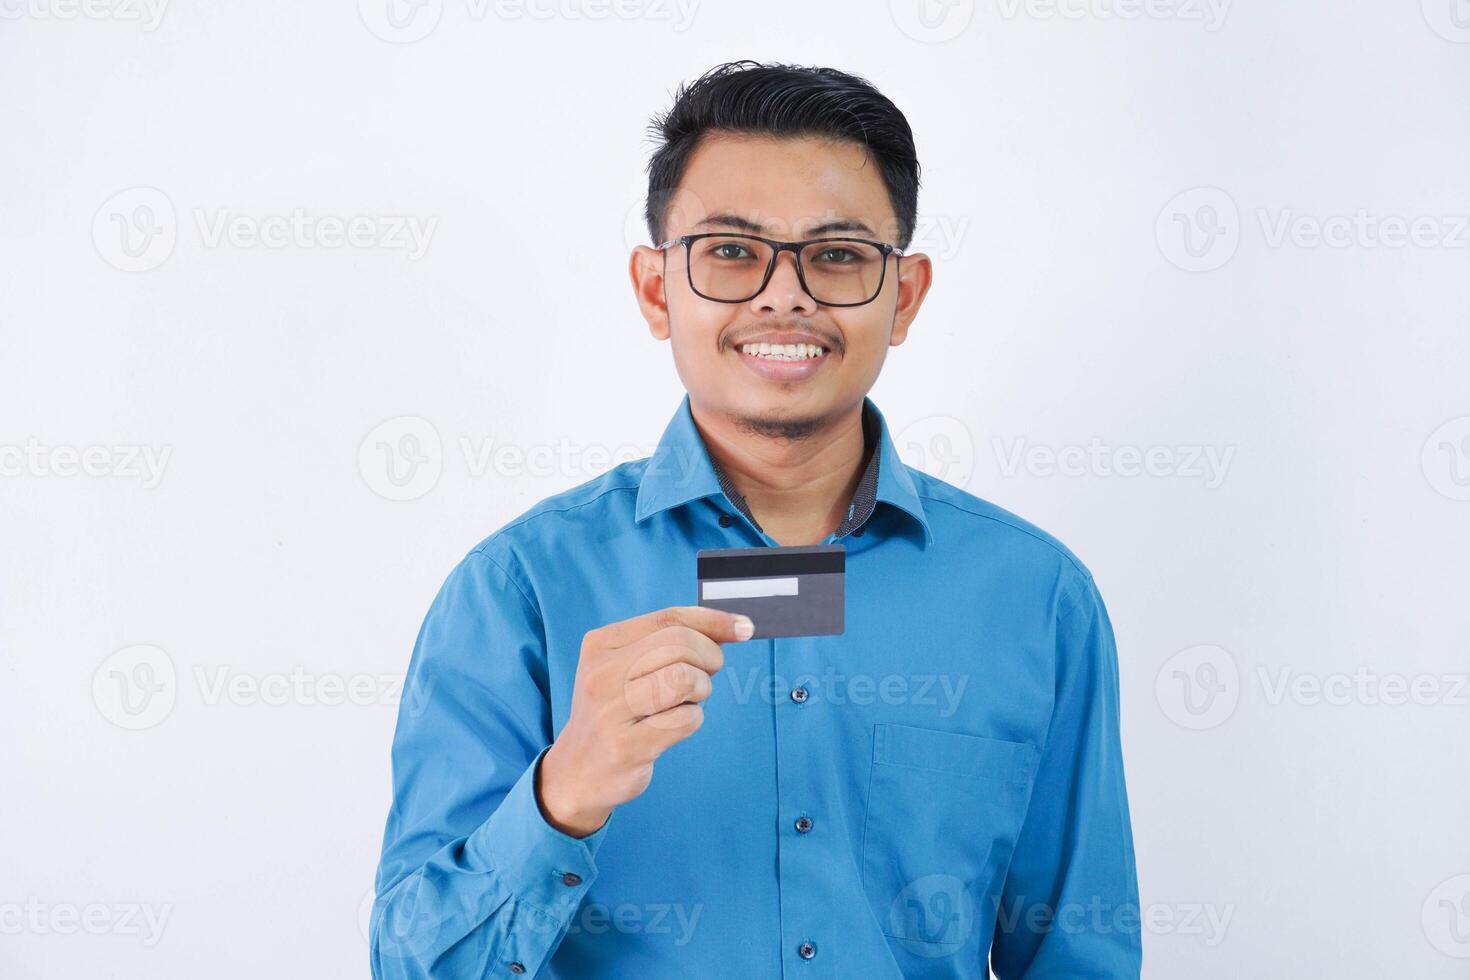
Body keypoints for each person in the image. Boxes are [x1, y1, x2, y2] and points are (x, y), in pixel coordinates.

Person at [370, 59, 1141, 979]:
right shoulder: (519, 592)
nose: (786, 295)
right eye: (731, 252)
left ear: (906, 296)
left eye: (839, 255)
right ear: (658, 290)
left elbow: (1076, 956)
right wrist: (563, 791)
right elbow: (412, 966)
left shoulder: (1035, 599)